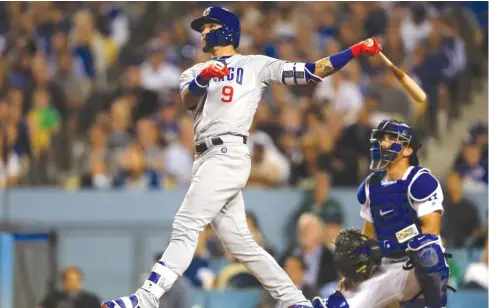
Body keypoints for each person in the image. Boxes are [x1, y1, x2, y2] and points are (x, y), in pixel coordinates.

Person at [101, 6, 381, 308]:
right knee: (243, 245)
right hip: (205, 157)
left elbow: (310, 71)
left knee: (186, 225)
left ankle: (146, 298)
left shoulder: (254, 64)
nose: (204, 32)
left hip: (227, 152)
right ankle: (295, 302)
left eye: (209, 26)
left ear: (228, 30)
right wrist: (204, 77)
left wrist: (353, 51)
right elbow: (187, 99)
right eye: (202, 28)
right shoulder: (194, 70)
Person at [312, 119, 453, 308]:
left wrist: (394, 242)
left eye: (391, 138)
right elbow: (369, 233)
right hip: (386, 265)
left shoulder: (421, 181)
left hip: (414, 266)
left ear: (408, 150)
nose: (383, 143)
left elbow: (431, 231)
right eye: (381, 138)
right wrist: (354, 273)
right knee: (338, 305)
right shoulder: (371, 185)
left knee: (428, 249)